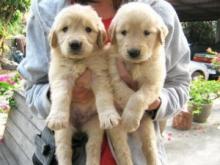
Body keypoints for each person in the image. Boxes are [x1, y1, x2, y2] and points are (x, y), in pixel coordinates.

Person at [18, 0, 190, 164]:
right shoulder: (44, 9)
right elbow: (33, 89)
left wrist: (151, 101)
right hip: (73, 140)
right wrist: (59, 98)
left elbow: (180, 84)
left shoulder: (158, 11)